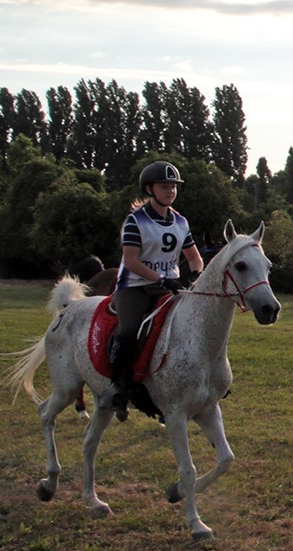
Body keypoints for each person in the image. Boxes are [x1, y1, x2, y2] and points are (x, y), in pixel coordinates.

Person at [104, 160, 203, 420]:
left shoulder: (181, 222)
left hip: (167, 287)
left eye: (173, 187)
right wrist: (161, 279)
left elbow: (193, 256)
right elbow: (132, 261)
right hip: (134, 287)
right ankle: (116, 385)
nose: (170, 191)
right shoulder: (134, 221)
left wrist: (196, 274)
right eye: (164, 186)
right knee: (128, 331)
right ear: (149, 189)